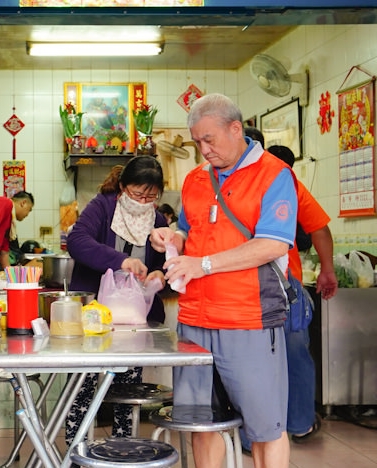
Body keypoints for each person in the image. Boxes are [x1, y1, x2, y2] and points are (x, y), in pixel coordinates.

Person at [150, 93, 296, 468]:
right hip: (195, 320)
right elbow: (188, 229)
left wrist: (205, 264)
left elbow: (272, 243)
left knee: (266, 427)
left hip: (248, 319)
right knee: (201, 424)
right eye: (197, 142)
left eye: (209, 140)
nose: (203, 150)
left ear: (235, 129)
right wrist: (171, 237)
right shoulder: (196, 179)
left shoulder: (274, 174)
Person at [241, 127, 338, 449]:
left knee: (249, 359)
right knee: (293, 353)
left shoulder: (219, 180)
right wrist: (326, 269)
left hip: (246, 285)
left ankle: (251, 431)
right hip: (283, 284)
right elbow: (320, 229)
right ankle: (298, 423)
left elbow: (318, 228)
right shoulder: (281, 177)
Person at [64, 155, 168, 445]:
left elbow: (164, 262)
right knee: (83, 386)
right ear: (122, 186)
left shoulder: (157, 220)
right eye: (137, 193)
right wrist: (122, 261)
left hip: (132, 321)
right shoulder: (103, 206)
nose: (144, 200)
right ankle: (76, 450)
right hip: (92, 317)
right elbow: (78, 241)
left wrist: (161, 273)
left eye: (151, 195)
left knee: (126, 387)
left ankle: (123, 448)